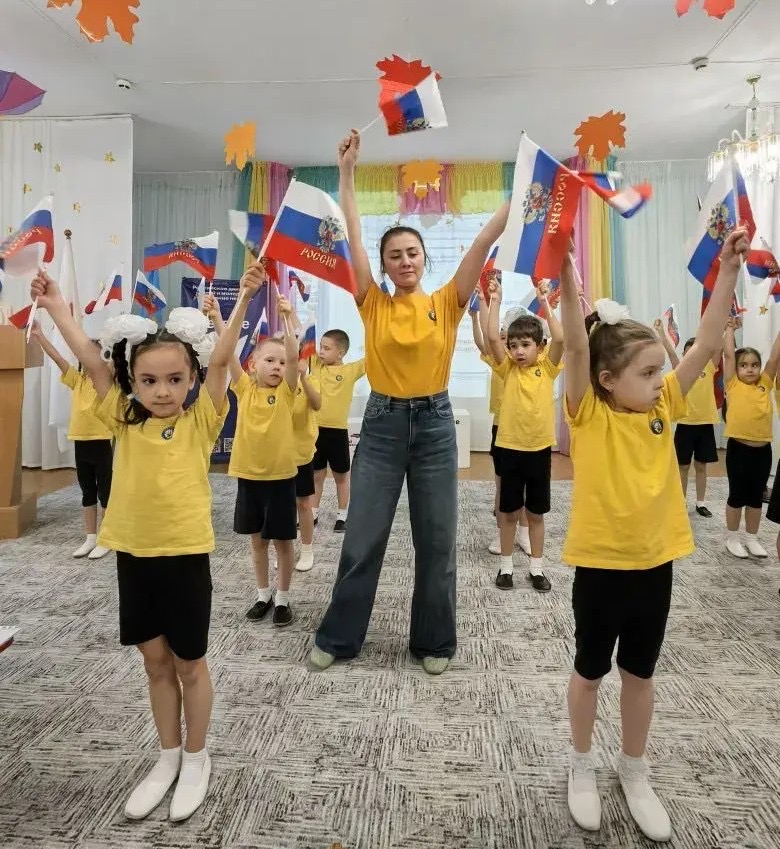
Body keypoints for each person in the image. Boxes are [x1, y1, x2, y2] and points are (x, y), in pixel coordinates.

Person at [559, 227, 749, 843]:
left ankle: (633, 768)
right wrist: (565, 270)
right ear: (608, 380)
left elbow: (709, 340)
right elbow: (576, 350)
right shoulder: (588, 412)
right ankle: (581, 763)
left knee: (640, 673)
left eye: (661, 370)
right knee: (590, 671)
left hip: (654, 565)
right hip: (600, 566)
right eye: (646, 372)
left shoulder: (663, 403)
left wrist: (727, 270)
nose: (661, 379)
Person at [30, 264, 239, 822]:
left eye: (174, 379)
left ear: (191, 379)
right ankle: (167, 756)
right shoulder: (123, 419)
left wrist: (240, 304)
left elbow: (222, 362)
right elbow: (93, 362)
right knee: (154, 661)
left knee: (190, 663)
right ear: (134, 382)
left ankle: (196, 757)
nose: (162, 391)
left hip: (185, 557)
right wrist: (56, 307)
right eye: (148, 381)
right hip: (134, 557)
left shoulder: (201, 420)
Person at [310, 129, 509, 675]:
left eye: (412, 253)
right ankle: (340, 636)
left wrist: (517, 201)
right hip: (381, 426)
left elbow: (481, 243)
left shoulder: (447, 301)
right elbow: (351, 234)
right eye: (394, 255)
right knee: (363, 537)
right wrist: (347, 172)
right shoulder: (372, 302)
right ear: (383, 264)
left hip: (436, 427)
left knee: (438, 541)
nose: (404, 260)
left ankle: (434, 640)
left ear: (424, 259)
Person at [212, 277, 300, 626]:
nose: (277, 366)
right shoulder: (245, 388)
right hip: (249, 478)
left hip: (281, 480)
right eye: (270, 360)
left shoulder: (288, 392)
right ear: (253, 365)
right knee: (257, 542)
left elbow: (294, 355)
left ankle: (283, 599)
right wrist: (218, 319)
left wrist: (288, 319)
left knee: (283, 542)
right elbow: (228, 354)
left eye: (282, 362)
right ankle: (263, 594)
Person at [486, 279, 563, 593]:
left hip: (539, 451)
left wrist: (545, 302)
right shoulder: (508, 369)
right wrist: (495, 300)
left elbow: (560, 337)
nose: (518, 351)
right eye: (514, 345)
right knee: (508, 513)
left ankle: (536, 568)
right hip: (510, 449)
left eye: (526, 345)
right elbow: (493, 337)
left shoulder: (548, 367)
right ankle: (506, 567)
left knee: (536, 513)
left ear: (540, 347)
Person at [29, 320, 113, 559]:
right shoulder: (77, 380)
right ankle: (90, 537)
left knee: (105, 492)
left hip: (102, 442)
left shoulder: (107, 382)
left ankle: (106, 538)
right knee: (87, 491)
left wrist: (110, 348)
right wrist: (40, 335)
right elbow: (57, 358)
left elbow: (114, 364)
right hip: (81, 442)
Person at [472, 292, 531, 557]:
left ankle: (525, 532)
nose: (516, 347)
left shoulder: (534, 362)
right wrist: (482, 306)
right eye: (508, 338)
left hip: (529, 431)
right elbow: (487, 338)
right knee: (503, 485)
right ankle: (502, 532)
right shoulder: (501, 361)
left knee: (527, 486)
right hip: (503, 429)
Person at [722, 317, 780, 558]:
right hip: (739, 449)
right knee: (737, 495)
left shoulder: (765, 383)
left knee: (756, 497)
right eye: (744, 365)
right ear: (736, 369)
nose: (750, 369)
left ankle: (752, 538)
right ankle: (732, 537)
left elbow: (774, 359)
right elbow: (728, 355)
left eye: (755, 365)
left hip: (763, 450)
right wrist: (729, 329)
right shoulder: (733, 384)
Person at [654, 320, 721, 517]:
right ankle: (681, 501)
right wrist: (661, 333)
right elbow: (671, 352)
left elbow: (715, 346)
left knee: (701, 466)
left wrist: (724, 327)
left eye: (696, 353)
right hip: (685, 424)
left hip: (705, 424)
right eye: (688, 353)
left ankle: (701, 503)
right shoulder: (680, 369)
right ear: (684, 356)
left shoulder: (710, 367)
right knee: (682, 466)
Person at [310, 329, 365, 532]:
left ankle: (342, 515)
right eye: (320, 347)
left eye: (326, 348)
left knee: (341, 477)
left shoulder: (350, 371)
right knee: (317, 475)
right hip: (315, 431)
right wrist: (289, 317)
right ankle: (313, 513)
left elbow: (375, 357)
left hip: (337, 433)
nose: (321, 351)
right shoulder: (316, 365)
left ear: (340, 353)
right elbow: (304, 336)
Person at [291, 346, 322, 572]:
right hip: (277, 456)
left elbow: (317, 403)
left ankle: (307, 549)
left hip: (301, 454)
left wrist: (303, 377)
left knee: (303, 503)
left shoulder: (310, 380)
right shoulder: (274, 383)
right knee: (282, 506)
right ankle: (284, 549)